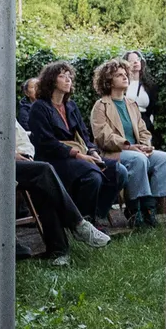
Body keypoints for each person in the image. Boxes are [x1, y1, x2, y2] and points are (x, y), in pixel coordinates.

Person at [0, 80, 107, 265]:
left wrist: (25, 155)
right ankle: (78, 224)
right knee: (44, 170)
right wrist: (11, 154)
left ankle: (59, 251)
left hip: (17, 165)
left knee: (42, 185)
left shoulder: (3, 113)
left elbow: (24, 140)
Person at [27, 60, 122, 231]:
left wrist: (92, 151)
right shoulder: (39, 108)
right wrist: (77, 155)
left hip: (79, 155)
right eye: (62, 76)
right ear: (51, 81)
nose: (68, 79)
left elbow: (84, 134)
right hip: (54, 159)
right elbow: (46, 142)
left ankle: (97, 215)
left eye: (69, 76)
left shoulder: (71, 106)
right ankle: (81, 224)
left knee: (119, 171)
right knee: (93, 176)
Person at [91, 58, 166, 227]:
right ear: (109, 81)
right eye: (119, 75)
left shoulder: (132, 104)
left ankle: (152, 208)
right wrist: (129, 146)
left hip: (137, 150)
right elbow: (103, 136)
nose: (125, 77)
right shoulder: (101, 106)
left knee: (164, 158)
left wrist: (145, 145)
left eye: (125, 74)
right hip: (115, 153)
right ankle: (135, 212)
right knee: (138, 160)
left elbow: (143, 130)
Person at [123, 49, 155, 115]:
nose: (135, 62)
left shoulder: (148, 84)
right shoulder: (122, 83)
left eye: (138, 59)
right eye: (131, 60)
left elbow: (152, 108)